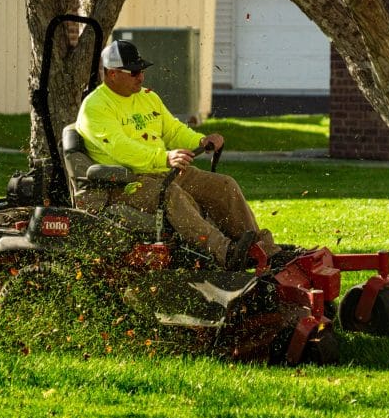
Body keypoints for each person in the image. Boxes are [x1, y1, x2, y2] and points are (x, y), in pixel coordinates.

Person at [76, 39, 279, 270]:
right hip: (126, 183)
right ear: (112, 74)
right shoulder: (95, 107)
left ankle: (262, 249)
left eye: (141, 71)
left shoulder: (147, 97)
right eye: (134, 73)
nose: (141, 78)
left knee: (224, 185)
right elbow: (121, 148)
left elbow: (172, 129)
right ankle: (226, 253)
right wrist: (165, 158)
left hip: (163, 171)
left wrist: (200, 141)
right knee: (173, 195)